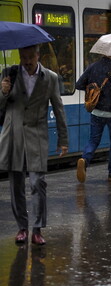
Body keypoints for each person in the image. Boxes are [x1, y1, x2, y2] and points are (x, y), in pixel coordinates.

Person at [0, 45, 69, 245]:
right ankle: (22, 227)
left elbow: (59, 109)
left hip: (37, 137)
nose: (27, 61)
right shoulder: (9, 73)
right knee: (16, 186)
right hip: (13, 136)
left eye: (31, 57)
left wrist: (63, 141)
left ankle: (37, 229)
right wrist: (3, 93)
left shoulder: (50, 78)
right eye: (24, 57)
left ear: (38, 56)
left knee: (38, 183)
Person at [76, 55, 111, 183]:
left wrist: (92, 87)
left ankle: (84, 159)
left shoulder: (92, 67)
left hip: (96, 111)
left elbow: (79, 85)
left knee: (94, 139)